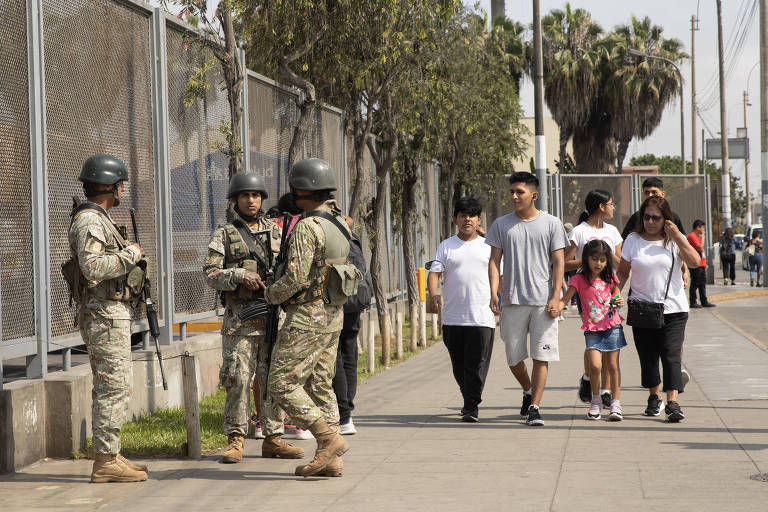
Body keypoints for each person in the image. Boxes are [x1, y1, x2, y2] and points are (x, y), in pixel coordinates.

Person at [266, 158, 357, 478]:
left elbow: (295, 278)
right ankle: (332, 461)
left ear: (302, 190)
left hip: (306, 315)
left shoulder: (307, 226)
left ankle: (327, 439)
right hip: (333, 314)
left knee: (280, 383)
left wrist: (270, 294)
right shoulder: (339, 222)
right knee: (320, 384)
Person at [203, 172, 304, 463]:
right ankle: (235, 439)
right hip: (241, 321)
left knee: (272, 379)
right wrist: (238, 275)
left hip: (273, 318)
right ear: (235, 199)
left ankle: (273, 438)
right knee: (237, 379)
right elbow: (210, 273)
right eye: (245, 195)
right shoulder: (224, 235)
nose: (251, 200)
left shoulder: (277, 231)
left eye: (256, 195)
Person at [67, 154, 148, 482]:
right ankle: (104, 461)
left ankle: (110, 452)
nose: (123, 190)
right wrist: (131, 254)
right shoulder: (90, 220)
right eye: (120, 184)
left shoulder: (100, 218)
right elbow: (93, 268)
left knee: (115, 385)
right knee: (113, 387)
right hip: (103, 314)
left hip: (110, 313)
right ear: (108, 186)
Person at [486, 172, 569, 427]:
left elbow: (558, 262)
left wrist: (557, 297)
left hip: (543, 304)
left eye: (519, 192)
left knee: (541, 355)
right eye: (512, 191)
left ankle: (534, 406)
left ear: (534, 194)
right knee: (513, 357)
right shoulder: (501, 224)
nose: (514, 196)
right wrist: (493, 293)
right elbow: (494, 261)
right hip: (512, 300)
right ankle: (527, 389)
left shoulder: (552, 223)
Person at [617, 196, 701, 422]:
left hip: (673, 309)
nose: (651, 222)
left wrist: (678, 237)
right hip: (642, 308)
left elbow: (694, 261)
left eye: (656, 217)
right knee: (648, 357)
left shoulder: (674, 240)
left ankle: (673, 402)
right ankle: (654, 396)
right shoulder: (633, 240)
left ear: (666, 219)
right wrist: (614, 293)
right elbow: (623, 271)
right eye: (646, 217)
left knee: (671, 354)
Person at [428, 197, 497, 423]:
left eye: (472, 215)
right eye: (462, 215)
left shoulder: (489, 246)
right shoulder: (446, 246)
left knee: (477, 363)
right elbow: (434, 273)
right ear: (455, 219)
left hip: (481, 316)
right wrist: (433, 295)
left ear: (479, 220)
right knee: (459, 364)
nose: (467, 219)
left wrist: (498, 297)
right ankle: (469, 397)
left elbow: (499, 275)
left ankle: (471, 405)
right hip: (453, 317)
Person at [565, 190, 623, 409]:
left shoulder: (613, 231)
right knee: (595, 336)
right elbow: (565, 261)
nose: (613, 207)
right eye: (611, 203)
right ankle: (590, 378)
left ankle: (606, 391)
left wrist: (607, 258)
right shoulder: (580, 232)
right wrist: (588, 259)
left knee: (609, 344)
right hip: (586, 292)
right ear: (601, 206)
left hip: (609, 290)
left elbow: (619, 262)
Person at [560, 240, 626, 421]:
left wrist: (619, 299)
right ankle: (595, 400)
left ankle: (615, 403)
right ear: (586, 259)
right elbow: (564, 300)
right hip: (592, 328)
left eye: (603, 260)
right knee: (595, 366)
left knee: (613, 366)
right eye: (594, 259)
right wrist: (555, 307)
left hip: (613, 325)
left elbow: (617, 294)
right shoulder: (578, 279)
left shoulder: (611, 278)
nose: (598, 263)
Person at [332, 214, 373, 435]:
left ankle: (343, 414)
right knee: (349, 355)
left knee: (336, 356)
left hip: (335, 304)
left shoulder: (326, 235)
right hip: (355, 303)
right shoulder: (351, 236)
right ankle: (347, 413)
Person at [687, 220, 715, 308]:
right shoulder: (692, 236)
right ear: (698, 227)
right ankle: (693, 301)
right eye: (702, 227)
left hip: (701, 263)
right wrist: (703, 237)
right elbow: (700, 247)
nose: (703, 230)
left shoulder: (697, 236)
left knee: (702, 283)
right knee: (695, 283)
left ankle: (704, 300)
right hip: (695, 264)